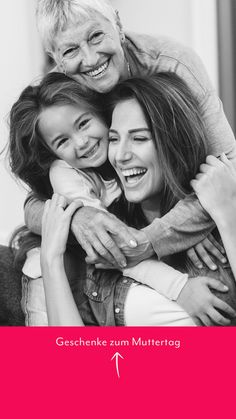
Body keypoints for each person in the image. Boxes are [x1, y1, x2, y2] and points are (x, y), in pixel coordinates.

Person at [24, 0, 236, 273]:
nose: (90, 59)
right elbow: (34, 204)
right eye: (70, 50)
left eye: (96, 36)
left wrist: (160, 237)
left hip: (177, 209)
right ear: (56, 58)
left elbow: (227, 172)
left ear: (118, 26)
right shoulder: (62, 95)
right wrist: (77, 217)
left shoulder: (172, 65)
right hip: (120, 215)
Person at [9, 71, 236, 326]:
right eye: (62, 141)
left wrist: (209, 222)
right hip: (49, 270)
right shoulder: (65, 174)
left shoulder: (145, 193)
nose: (82, 142)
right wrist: (179, 287)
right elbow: (116, 245)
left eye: (84, 123)